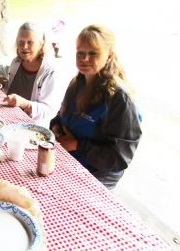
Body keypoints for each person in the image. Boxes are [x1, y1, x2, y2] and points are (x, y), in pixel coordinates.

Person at [50, 24, 142, 189]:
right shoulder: (76, 83)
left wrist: (77, 145)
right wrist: (56, 125)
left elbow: (119, 158)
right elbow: (62, 114)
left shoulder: (120, 99)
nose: (85, 59)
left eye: (93, 53)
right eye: (80, 53)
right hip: (70, 158)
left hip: (98, 173)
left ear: (109, 56)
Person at [0, 22, 60, 126]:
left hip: (31, 127)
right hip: (6, 118)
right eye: (21, 42)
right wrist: (2, 84)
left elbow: (50, 111)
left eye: (30, 42)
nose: (24, 46)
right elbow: (14, 90)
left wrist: (25, 104)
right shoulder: (16, 62)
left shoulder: (50, 71)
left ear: (41, 44)